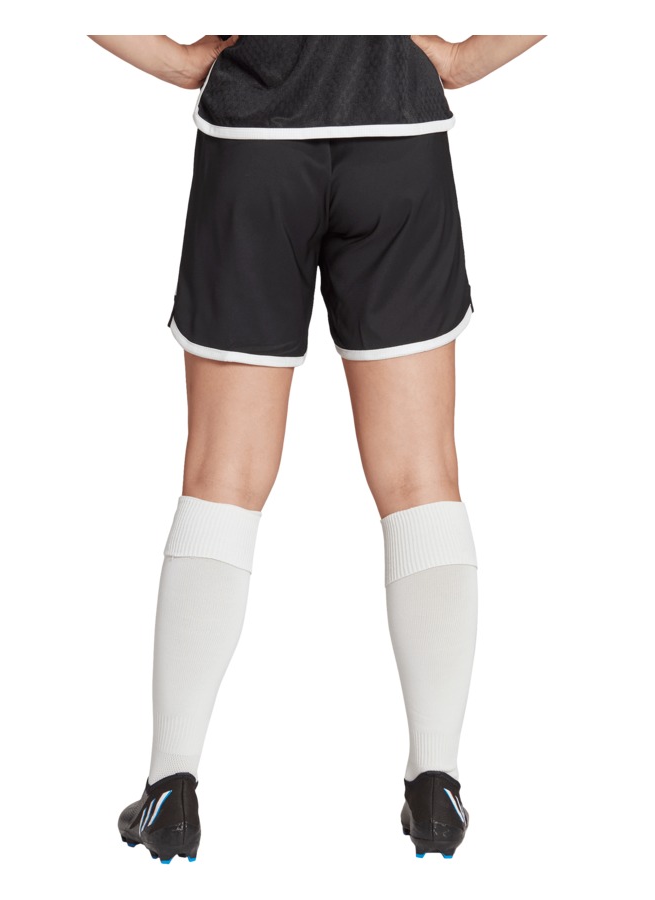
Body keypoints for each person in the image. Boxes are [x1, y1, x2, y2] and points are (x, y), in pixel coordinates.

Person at [88, 33, 545, 864]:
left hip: (255, 144)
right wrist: (462, 58)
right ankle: (436, 785)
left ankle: (170, 790)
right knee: (420, 476)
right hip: (399, 138)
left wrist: (176, 60)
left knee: (222, 475)